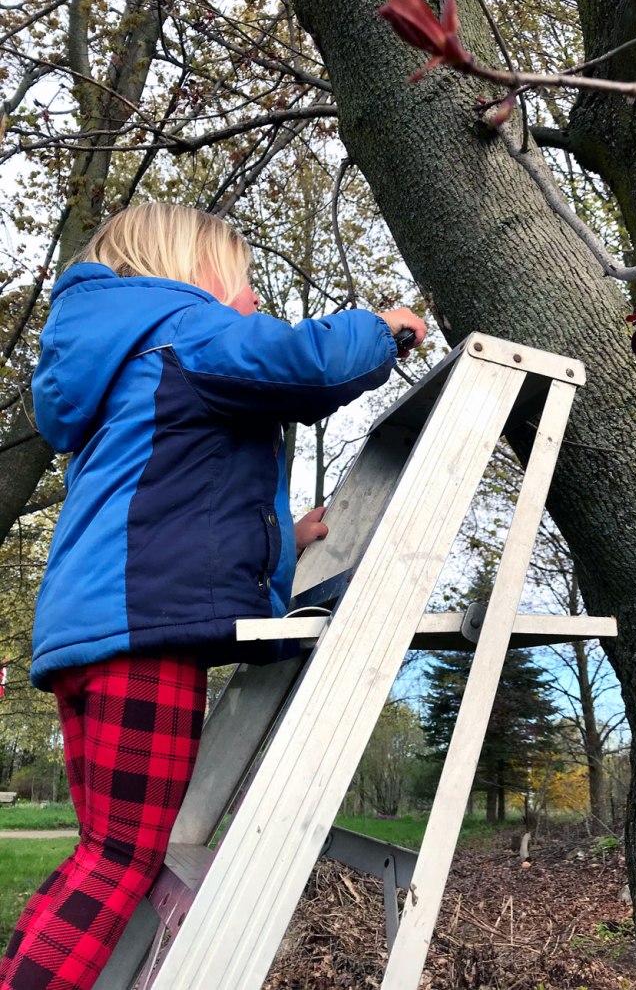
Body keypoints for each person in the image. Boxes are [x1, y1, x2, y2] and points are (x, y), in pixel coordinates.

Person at [0, 202, 426, 990]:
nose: (256, 304)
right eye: (248, 285)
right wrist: (382, 325)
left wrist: (282, 534)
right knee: (122, 859)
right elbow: (303, 362)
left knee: (102, 848)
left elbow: (172, 488)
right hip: (143, 631)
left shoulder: (122, 356)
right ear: (196, 273)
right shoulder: (183, 327)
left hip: (95, 629)